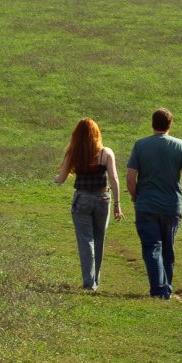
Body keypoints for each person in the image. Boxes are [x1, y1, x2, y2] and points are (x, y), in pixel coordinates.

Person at [124, 108, 182, 299]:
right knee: (167, 249)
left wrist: (135, 196)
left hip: (146, 205)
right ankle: (166, 288)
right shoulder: (180, 146)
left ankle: (159, 290)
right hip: (171, 206)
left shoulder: (140, 145)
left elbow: (130, 177)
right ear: (170, 125)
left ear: (152, 123)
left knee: (152, 248)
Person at [56, 118, 123, 291]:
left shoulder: (74, 153)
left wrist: (54, 179)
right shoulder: (106, 153)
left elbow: (61, 178)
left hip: (82, 199)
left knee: (86, 241)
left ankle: (89, 283)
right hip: (103, 198)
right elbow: (114, 179)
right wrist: (117, 204)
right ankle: (95, 280)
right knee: (99, 240)